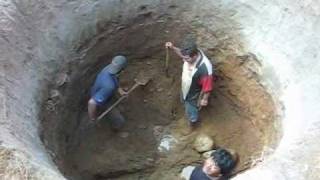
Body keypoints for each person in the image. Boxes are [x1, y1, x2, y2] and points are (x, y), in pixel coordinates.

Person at [165, 40, 214, 129]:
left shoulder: (204, 69)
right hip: (186, 86)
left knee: (191, 108)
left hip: (194, 93)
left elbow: (207, 87)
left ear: (194, 56)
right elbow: (182, 53)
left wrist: (204, 99)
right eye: (183, 58)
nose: (184, 60)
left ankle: (193, 122)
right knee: (183, 98)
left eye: (186, 59)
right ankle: (186, 105)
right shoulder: (189, 54)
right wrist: (173, 48)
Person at [88, 55, 128, 129]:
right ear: (122, 69)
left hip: (102, 91)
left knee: (121, 107)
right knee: (120, 121)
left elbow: (115, 79)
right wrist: (92, 119)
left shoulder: (109, 68)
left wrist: (120, 90)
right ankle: (115, 129)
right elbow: (92, 102)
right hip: (102, 98)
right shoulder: (109, 86)